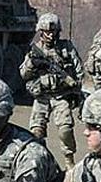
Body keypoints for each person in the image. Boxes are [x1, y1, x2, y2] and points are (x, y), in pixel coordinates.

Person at [20, 12, 84, 168]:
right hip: (41, 97)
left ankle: (69, 161)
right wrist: (33, 64)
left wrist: (75, 87)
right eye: (46, 32)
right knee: (36, 132)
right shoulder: (35, 51)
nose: (49, 35)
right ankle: (41, 162)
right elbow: (23, 74)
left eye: (52, 32)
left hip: (61, 96)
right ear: (40, 32)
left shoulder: (66, 48)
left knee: (65, 130)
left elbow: (79, 71)